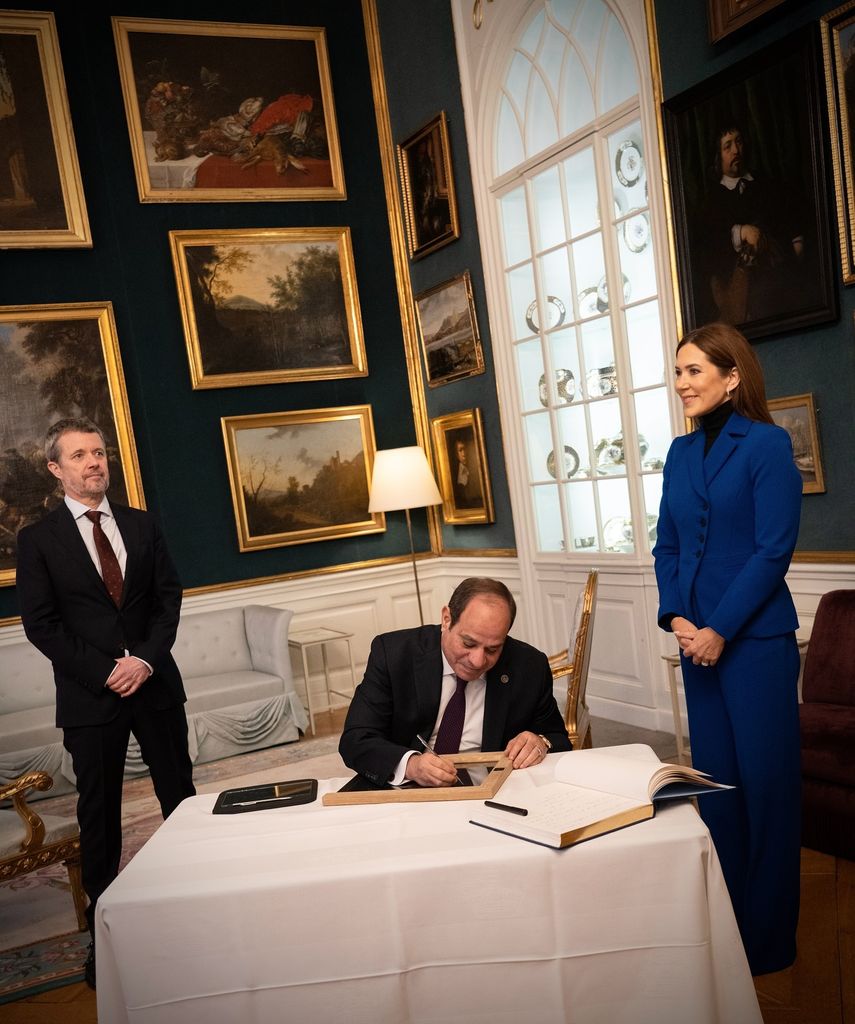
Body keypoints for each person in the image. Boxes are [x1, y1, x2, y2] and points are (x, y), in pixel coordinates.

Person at [16, 418, 195, 988]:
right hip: (92, 699)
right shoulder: (38, 540)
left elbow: (168, 600)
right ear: (56, 469)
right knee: (100, 820)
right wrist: (106, 671)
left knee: (181, 799)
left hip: (155, 684)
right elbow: (41, 625)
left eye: (99, 452)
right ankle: (105, 935)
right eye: (79, 455)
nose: (94, 462)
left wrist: (142, 660)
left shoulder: (142, 526)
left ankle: (197, 904)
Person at [652, 323, 802, 976]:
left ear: (730, 377)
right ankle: (729, 930)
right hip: (694, 644)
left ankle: (768, 944)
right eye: (677, 371)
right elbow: (667, 547)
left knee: (767, 793)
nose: (680, 382)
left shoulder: (767, 446)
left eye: (692, 371)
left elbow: (773, 550)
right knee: (717, 791)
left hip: (755, 648)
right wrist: (679, 618)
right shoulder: (679, 455)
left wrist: (719, 629)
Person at [339, 577, 571, 787]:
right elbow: (356, 739)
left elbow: (558, 738)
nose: (478, 660)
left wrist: (540, 742)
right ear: (446, 619)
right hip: (407, 791)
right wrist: (410, 765)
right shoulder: (394, 654)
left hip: (494, 791)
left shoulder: (528, 665)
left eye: (493, 649)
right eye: (468, 643)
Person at [695, 121, 808, 327]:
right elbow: (709, 252)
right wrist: (740, 232)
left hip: (781, 285)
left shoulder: (766, 183)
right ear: (718, 155)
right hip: (743, 298)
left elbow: (790, 224)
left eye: (738, 142)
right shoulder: (712, 201)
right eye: (727, 146)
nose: (735, 150)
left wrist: (795, 253)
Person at [452, 437, 481, 509]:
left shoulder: (476, 469)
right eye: (460, 450)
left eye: (465, 449)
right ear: (456, 453)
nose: (464, 454)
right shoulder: (454, 474)